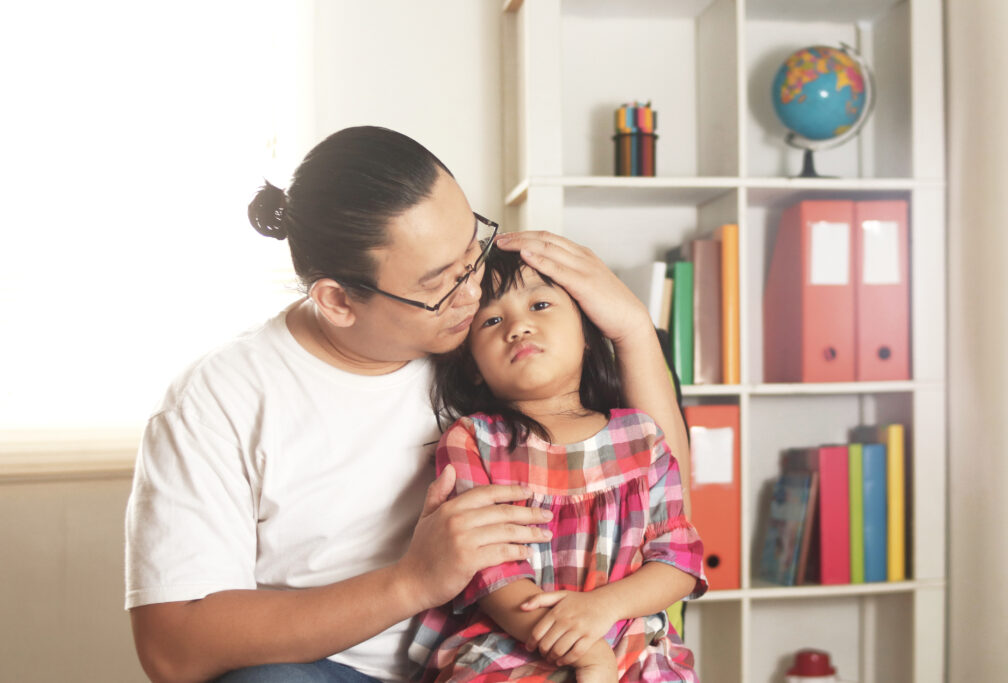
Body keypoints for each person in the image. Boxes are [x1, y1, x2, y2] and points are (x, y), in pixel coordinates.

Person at [125, 126, 690, 683]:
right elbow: (175, 648)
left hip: (527, 651)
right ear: (339, 300)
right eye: (442, 283)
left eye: (474, 249)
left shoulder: (487, 341)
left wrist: (634, 331)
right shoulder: (217, 402)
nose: (475, 293)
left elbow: (662, 499)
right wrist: (413, 581)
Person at [408, 249, 707, 683]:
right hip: (514, 640)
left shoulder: (643, 437)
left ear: (587, 333)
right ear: (473, 367)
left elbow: (678, 559)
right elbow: (487, 568)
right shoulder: (474, 440)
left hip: (631, 637)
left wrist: (601, 609)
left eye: (540, 305)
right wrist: (581, 650)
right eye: (491, 321)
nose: (518, 327)